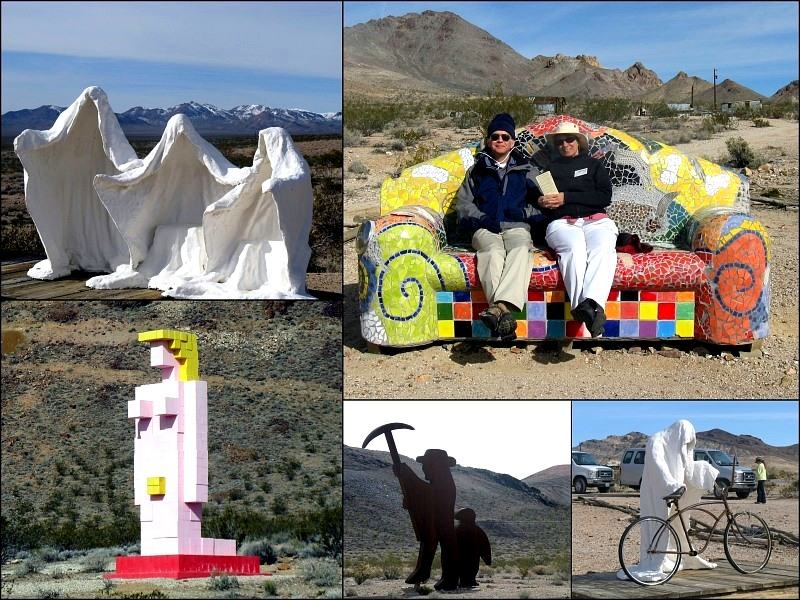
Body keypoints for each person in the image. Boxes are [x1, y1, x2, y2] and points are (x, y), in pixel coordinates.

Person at [455, 113, 543, 340]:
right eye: (496, 136)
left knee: (521, 249)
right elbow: (463, 204)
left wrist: (524, 213)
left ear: (513, 141)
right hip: (484, 226)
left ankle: (498, 311)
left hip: (516, 225)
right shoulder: (477, 170)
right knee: (492, 252)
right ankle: (503, 315)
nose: (501, 140)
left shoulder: (527, 169)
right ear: (488, 140)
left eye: (506, 136)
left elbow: (546, 202)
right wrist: (482, 218)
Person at [536, 121, 618, 337]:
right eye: (560, 141)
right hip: (563, 222)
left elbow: (604, 197)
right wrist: (542, 201)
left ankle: (590, 305)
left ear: (579, 142)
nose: (565, 144)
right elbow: (541, 201)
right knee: (574, 249)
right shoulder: (549, 170)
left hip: (596, 221)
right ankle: (586, 308)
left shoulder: (594, 166)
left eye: (569, 139)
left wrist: (567, 197)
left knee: (604, 249)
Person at [616, 419, 718, 583]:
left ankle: (677, 554)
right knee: (658, 523)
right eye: (685, 440)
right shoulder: (656, 440)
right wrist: (671, 484)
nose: (686, 444)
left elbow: (688, 466)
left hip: (676, 489)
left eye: (689, 442)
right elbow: (658, 465)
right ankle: (656, 558)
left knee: (677, 523)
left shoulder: (680, 445)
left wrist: (705, 470)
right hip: (656, 490)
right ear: (679, 432)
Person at [393, 449, 460, 591]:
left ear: (436, 467)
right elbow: (426, 495)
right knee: (429, 544)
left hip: (443, 524)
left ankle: (449, 579)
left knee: (446, 547)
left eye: (426, 466)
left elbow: (428, 493)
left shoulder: (446, 485)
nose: (424, 470)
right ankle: (423, 572)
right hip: (435, 522)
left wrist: (407, 474)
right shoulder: (440, 483)